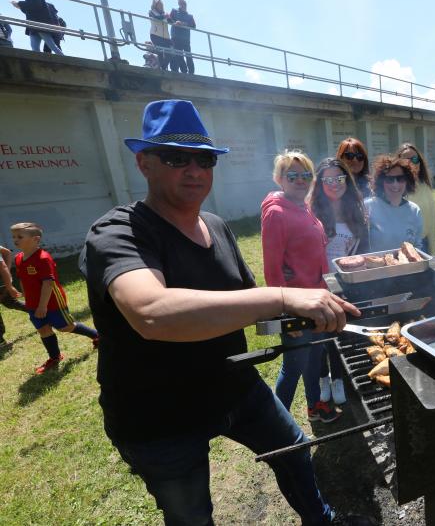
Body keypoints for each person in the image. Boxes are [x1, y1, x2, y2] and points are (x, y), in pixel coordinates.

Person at [80, 100, 357, 525]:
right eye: (176, 158)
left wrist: (317, 315)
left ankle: (322, 521)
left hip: (234, 385)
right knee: (192, 515)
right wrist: (284, 296)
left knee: (295, 450)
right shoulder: (119, 232)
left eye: (204, 159)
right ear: (144, 163)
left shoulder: (216, 225)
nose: (194, 170)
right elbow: (152, 313)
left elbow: (246, 305)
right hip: (157, 412)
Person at [262, 151, 342, 424]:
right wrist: (286, 316)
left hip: (317, 299)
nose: (300, 180)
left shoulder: (303, 206)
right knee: (294, 364)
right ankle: (276, 424)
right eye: (292, 175)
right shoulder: (276, 213)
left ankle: (315, 405)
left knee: (315, 356)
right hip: (297, 305)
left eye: (306, 175)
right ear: (279, 179)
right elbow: (272, 270)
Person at [309, 157, 368, 406]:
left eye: (340, 178)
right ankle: (323, 377)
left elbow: (361, 251)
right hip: (315, 284)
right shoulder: (311, 212)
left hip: (344, 284)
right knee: (320, 336)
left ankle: (339, 379)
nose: (335, 184)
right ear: (320, 183)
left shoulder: (357, 210)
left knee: (340, 331)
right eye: (328, 179)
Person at [10, 222, 98, 374]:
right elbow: (22, 278)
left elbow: (48, 283)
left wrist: (43, 306)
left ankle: (97, 336)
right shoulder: (18, 258)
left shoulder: (43, 258)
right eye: (13, 237)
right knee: (43, 329)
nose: (15, 240)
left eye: (19, 236)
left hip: (52, 302)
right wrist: (25, 294)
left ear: (35, 239)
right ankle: (55, 357)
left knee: (65, 327)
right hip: (32, 303)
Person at [364, 155, 423, 251]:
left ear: (407, 181)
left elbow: (417, 246)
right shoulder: (368, 206)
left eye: (400, 179)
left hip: (407, 265)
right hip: (377, 265)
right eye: (389, 179)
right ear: (381, 182)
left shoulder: (415, 210)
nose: (395, 184)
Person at [399, 142, 435, 254]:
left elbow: (432, 224)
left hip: (423, 245)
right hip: (401, 246)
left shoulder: (425, 187)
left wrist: (434, 253)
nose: (412, 163)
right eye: (407, 160)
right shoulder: (394, 188)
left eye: (415, 159)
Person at [0, 245, 26, 349]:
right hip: (3, 282)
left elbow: (2, 266)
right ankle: (40, 312)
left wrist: (9, 286)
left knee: (11, 302)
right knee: (11, 303)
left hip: (1, 284)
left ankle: (0, 340)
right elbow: (6, 252)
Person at [169, 0, 195, 74]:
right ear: (179, 4)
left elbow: (193, 26)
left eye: (184, 3)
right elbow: (169, 20)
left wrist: (184, 24)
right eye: (181, 3)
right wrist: (175, 22)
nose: (182, 5)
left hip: (185, 38)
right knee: (178, 54)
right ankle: (184, 71)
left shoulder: (190, 16)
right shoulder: (174, 11)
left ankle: (191, 72)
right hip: (175, 37)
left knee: (188, 55)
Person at [148, 0, 174, 71]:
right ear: (155, 5)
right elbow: (157, 18)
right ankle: (162, 69)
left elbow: (171, 22)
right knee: (160, 53)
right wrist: (165, 16)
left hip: (166, 37)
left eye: (162, 4)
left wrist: (175, 22)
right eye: (159, 4)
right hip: (155, 35)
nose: (161, 6)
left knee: (170, 53)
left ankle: (162, 67)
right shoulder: (151, 12)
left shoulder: (164, 13)